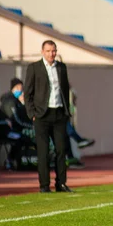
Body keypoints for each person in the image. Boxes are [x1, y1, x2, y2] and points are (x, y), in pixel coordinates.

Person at [24, 40, 73, 193]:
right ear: (42, 52)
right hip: (41, 115)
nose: (51, 54)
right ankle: (44, 185)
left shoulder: (61, 67)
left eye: (53, 51)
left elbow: (65, 91)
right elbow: (28, 93)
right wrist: (32, 113)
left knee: (60, 150)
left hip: (58, 114)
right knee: (43, 152)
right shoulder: (34, 68)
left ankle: (61, 183)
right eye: (48, 51)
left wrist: (66, 112)